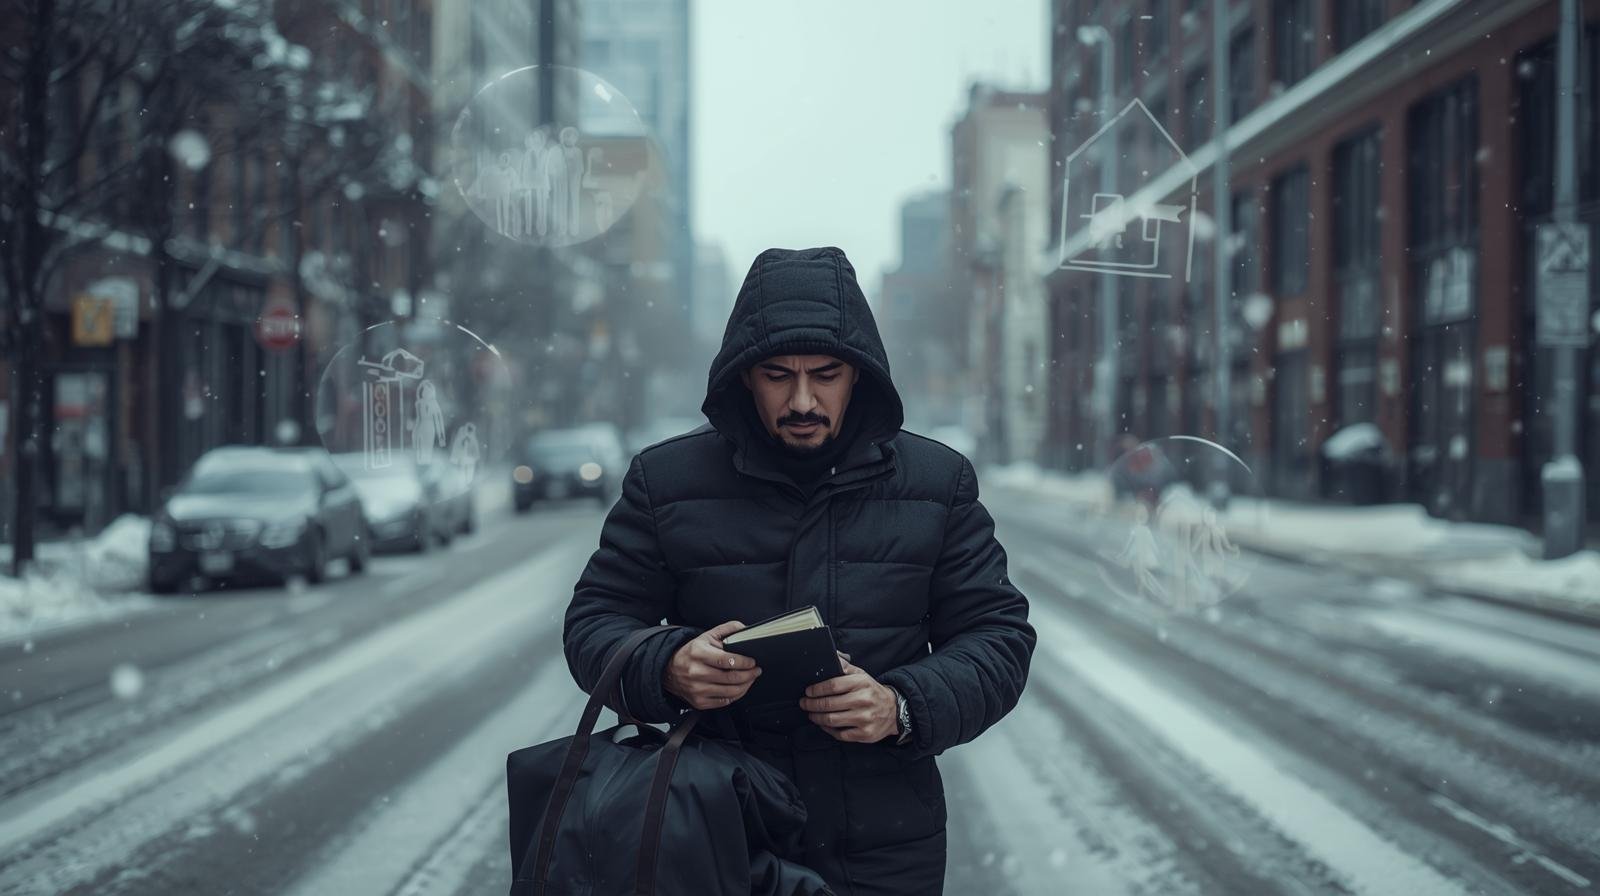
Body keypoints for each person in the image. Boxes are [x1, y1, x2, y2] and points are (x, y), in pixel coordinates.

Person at [564, 246, 1037, 895]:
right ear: (744, 377)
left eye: (827, 373)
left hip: (883, 844)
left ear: (860, 375)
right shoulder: (664, 481)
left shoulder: (937, 482)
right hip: (715, 829)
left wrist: (900, 706)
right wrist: (669, 666)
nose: (803, 399)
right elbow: (594, 624)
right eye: (778, 375)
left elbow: (1000, 638)